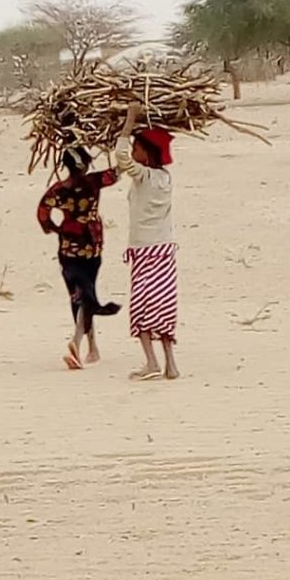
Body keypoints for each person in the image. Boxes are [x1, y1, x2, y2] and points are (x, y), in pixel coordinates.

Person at [37, 147, 121, 370]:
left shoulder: (59, 189)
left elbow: (42, 211)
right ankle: (78, 341)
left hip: (67, 248)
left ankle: (91, 347)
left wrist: (52, 228)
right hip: (91, 246)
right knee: (87, 292)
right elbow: (117, 173)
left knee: (79, 294)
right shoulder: (93, 182)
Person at [115, 103, 179, 381]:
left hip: (144, 251)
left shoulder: (145, 177)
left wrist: (129, 121)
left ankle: (152, 362)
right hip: (165, 251)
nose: (132, 152)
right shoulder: (165, 178)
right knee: (163, 305)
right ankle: (170, 364)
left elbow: (120, 156)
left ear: (147, 154)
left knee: (141, 307)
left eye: (137, 148)